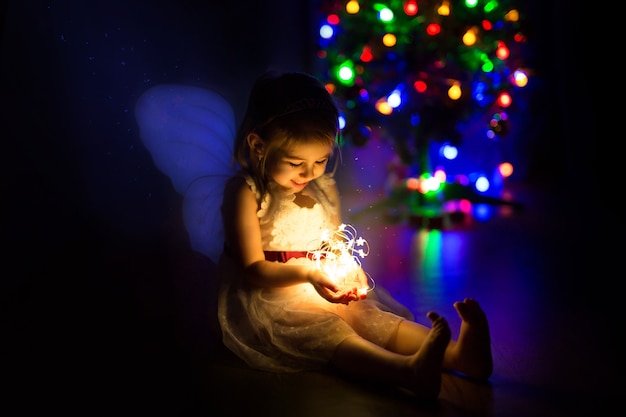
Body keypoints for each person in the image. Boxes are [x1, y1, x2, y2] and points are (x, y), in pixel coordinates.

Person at [216, 70, 493, 400]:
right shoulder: (247, 193)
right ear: (258, 145)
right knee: (331, 333)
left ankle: (459, 355)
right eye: (295, 162)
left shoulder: (322, 187)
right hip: (272, 300)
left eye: (320, 160)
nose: (309, 172)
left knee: (370, 318)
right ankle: (407, 372)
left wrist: (349, 273)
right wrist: (308, 272)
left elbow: (333, 242)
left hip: (319, 287)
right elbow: (252, 268)